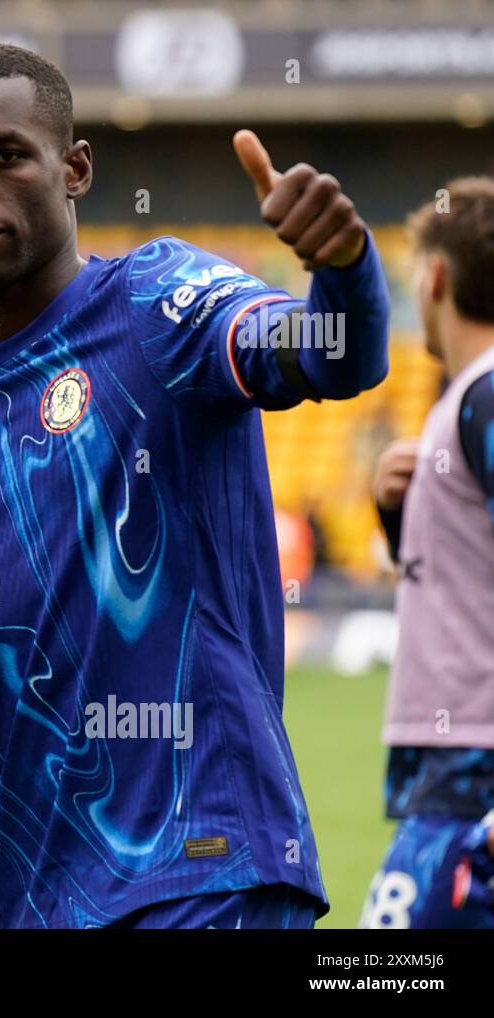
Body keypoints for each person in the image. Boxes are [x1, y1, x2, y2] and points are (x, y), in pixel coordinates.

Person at [0, 44, 390, 928]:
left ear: (74, 168)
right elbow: (14, 669)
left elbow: (326, 355)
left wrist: (343, 270)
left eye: (3, 156)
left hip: (204, 874)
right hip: (43, 898)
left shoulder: (157, 300)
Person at [365, 176, 494, 929]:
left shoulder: (484, 396)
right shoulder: (465, 401)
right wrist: (397, 518)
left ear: (436, 277)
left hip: (474, 775)